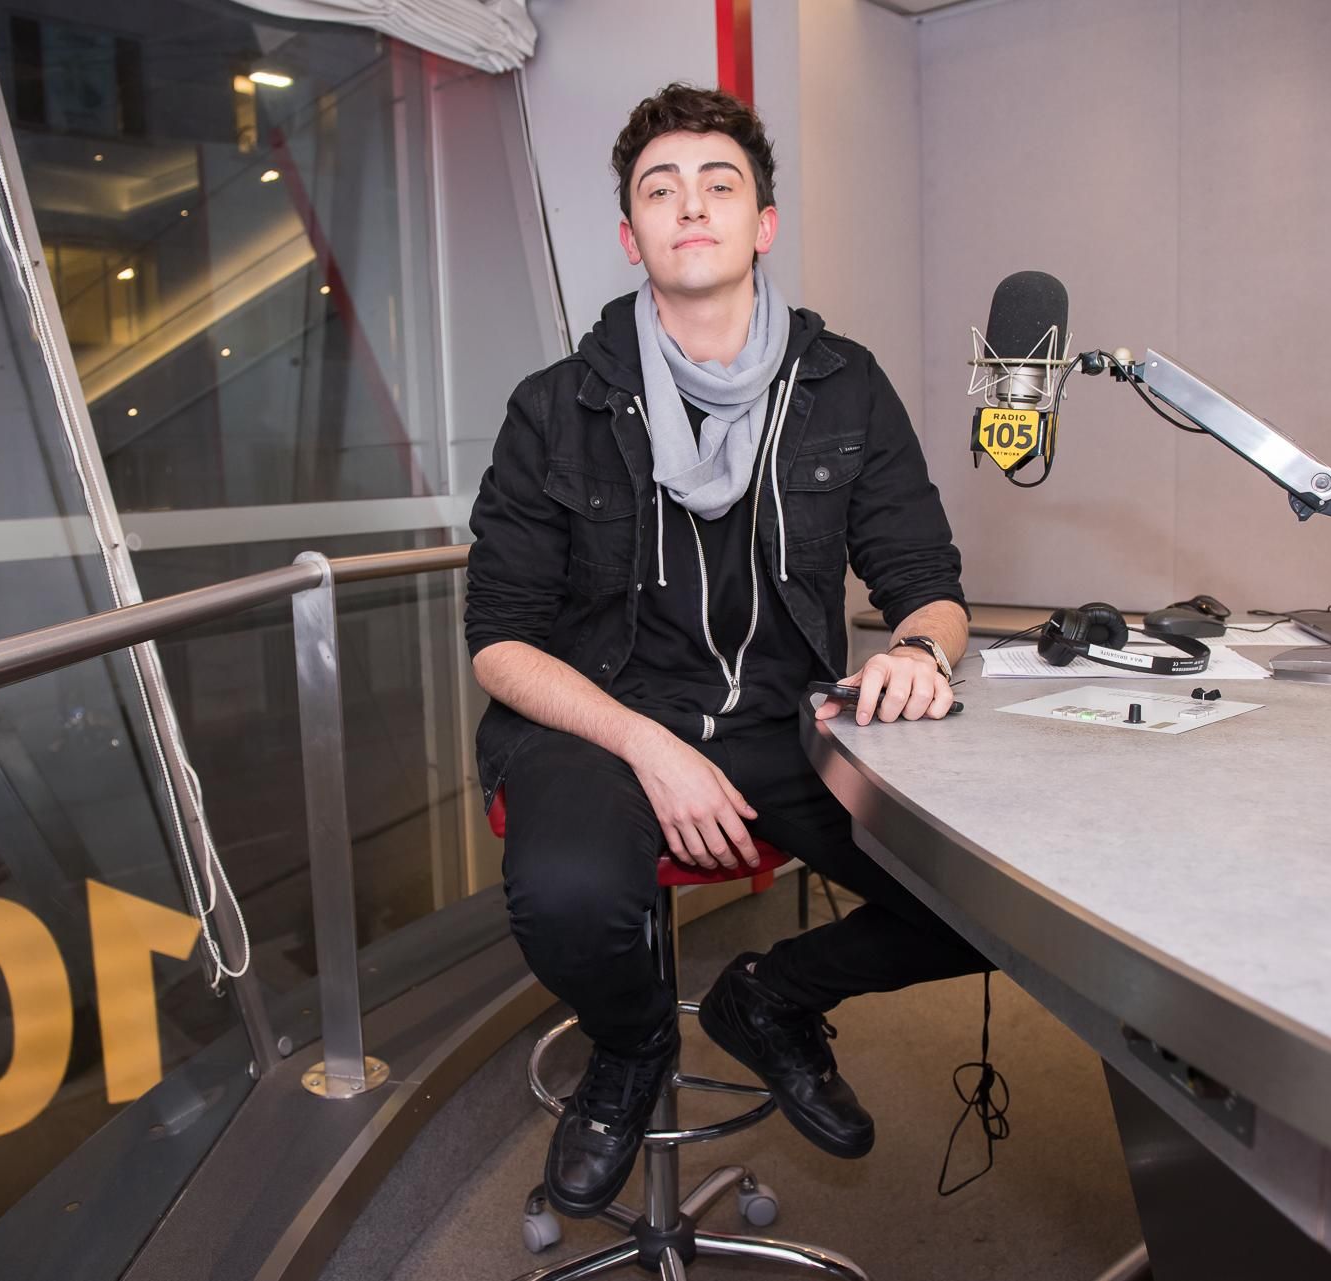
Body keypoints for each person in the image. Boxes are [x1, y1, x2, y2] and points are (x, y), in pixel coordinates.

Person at [463, 83, 989, 1218]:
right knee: (567, 893)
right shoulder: (554, 408)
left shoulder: (843, 386)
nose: (691, 206)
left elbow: (928, 585)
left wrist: (920, 652)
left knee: (996, 900)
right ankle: (630, 1042)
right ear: (631, 236)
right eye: (661, 190)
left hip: (783, 722)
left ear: (764, 224)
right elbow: (498, 643)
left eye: (719, 185)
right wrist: (648, 747)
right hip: (600, 721)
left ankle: (774, 996)